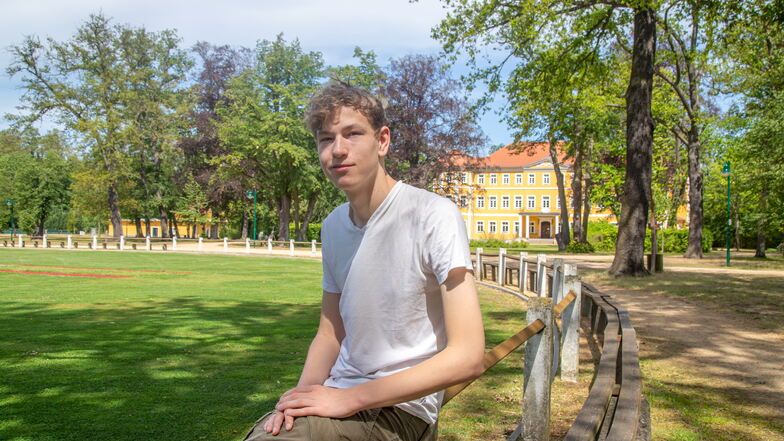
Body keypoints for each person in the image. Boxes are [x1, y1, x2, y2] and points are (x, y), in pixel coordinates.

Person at [243, 81, 485, 441]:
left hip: (399, 410)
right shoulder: (333, 226)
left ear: (382, 141)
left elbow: (468, 356)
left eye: (352, 134)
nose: (338, 150)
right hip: (339, 396)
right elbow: (330, 334)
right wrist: (294, 403)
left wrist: (350, 399)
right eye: (326, 139)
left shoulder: (432, 214)